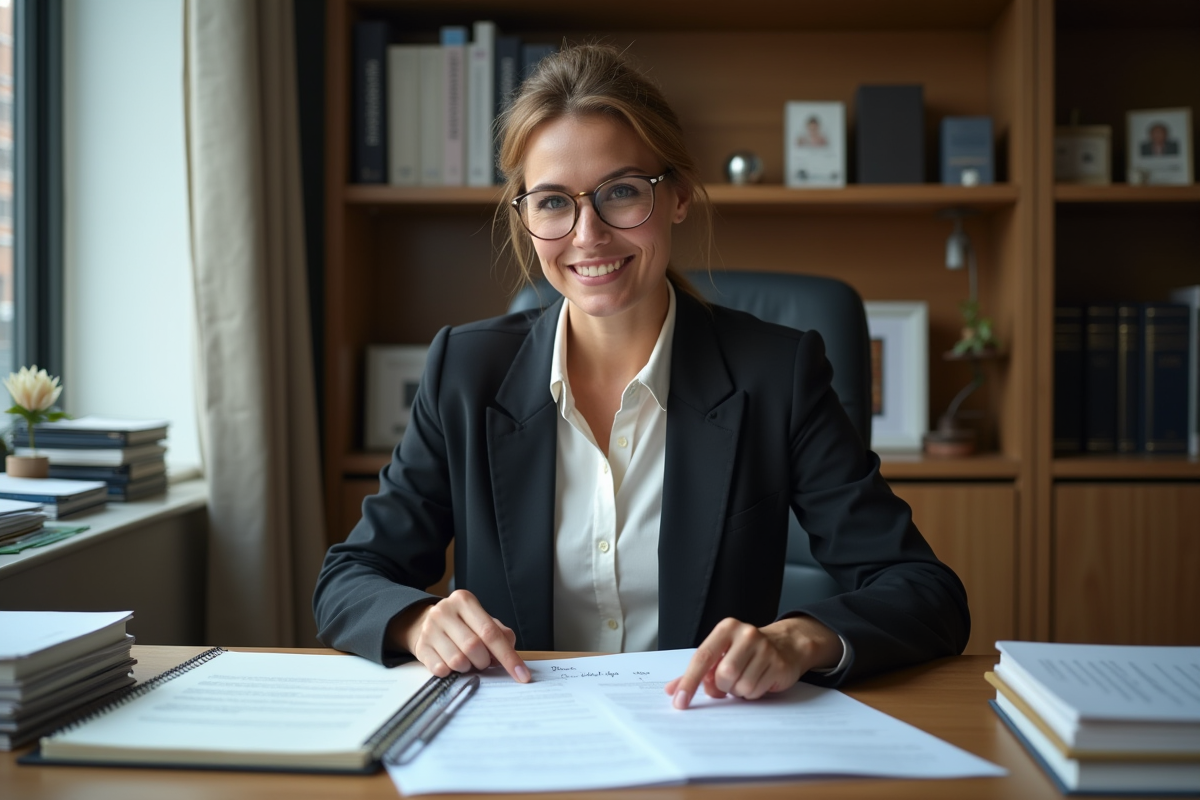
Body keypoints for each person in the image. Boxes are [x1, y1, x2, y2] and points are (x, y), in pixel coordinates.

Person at [313, 44, 969, 710]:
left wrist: (799, 640)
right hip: (521, 740)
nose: (587, 234)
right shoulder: (465, 370)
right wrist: (420, 622)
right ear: (525, 216)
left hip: (701, 731)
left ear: (678, 195)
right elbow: (350, 579)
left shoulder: (777, 374)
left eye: (621, 192)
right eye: (552, 203)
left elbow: (922, 590)